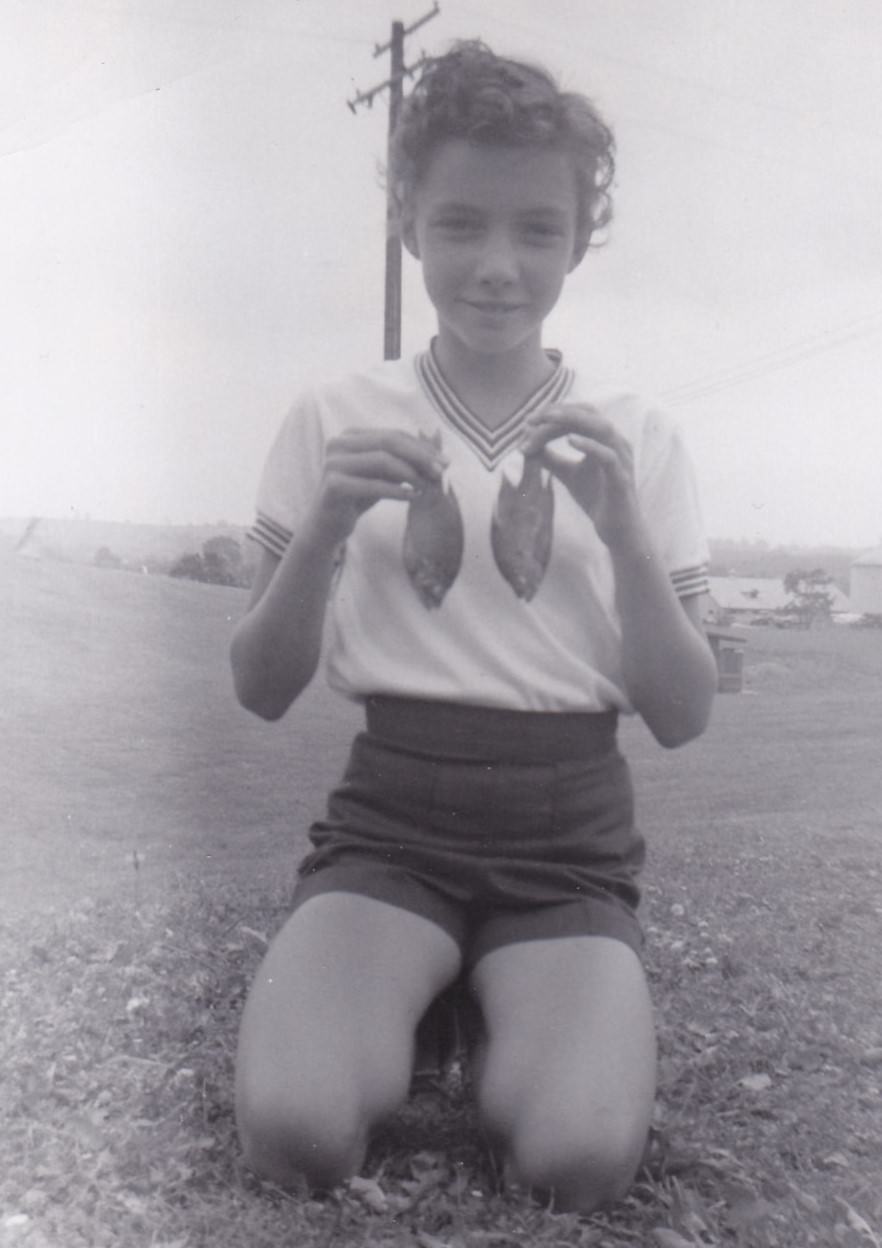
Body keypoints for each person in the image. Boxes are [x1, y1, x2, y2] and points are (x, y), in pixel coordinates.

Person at [230, 39, 718, 1214]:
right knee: (297, 1136)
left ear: (577, 238)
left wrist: (631, 539)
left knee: (577, 1162)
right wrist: (325, 531)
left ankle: (498, 1008)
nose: (497, 266)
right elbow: (258, 683)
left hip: (568, 840)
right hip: (392, 822)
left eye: (536, 231)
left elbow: (685, 713)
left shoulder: (636, 433)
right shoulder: (336, 416)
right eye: (460, 225)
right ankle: (414, 987)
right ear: (407, 220)